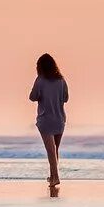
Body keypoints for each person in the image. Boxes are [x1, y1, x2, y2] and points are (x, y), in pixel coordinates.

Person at [29, 53, 69, 187]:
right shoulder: (61, 80)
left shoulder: (40, 79)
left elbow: (32, 97)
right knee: (55, 150)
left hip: (45, 119)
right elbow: (65, 98)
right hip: (59, 119)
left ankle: (55, 177)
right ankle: (52, 177)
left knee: (50, 151)